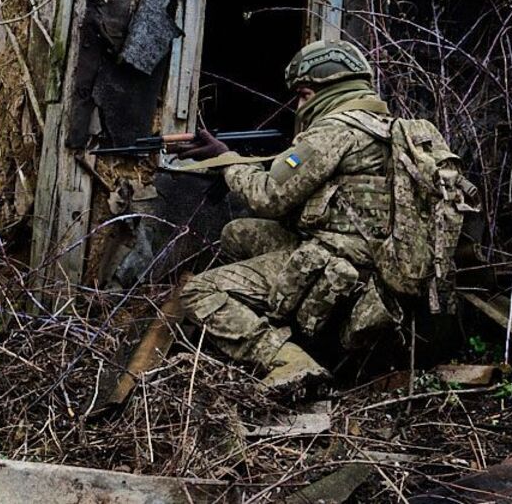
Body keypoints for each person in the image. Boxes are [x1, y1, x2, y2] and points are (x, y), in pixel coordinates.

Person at [168, 39, 431, 392]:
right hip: (383, 262)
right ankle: (290, 327)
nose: (300, 105)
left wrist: (227, 160)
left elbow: (268, 196)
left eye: (304, 95)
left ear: (324, 90)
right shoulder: (393, 130)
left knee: (198, 291)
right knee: (237, 233)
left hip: (338, 262)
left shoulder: (335, 129)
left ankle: (289, 361)